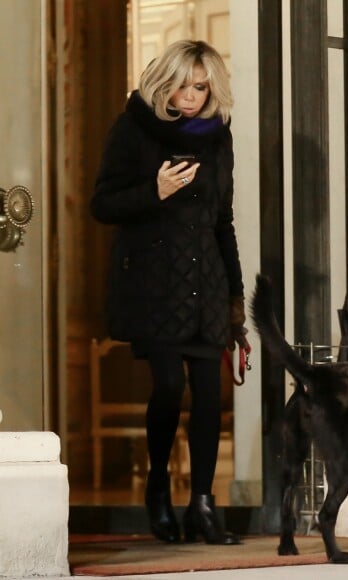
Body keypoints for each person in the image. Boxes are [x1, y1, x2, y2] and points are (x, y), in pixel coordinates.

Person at [91, 39, 248, 545]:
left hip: (206, 283)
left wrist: (235, 299)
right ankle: (158, 487)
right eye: (183, 84)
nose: (191, 96)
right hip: (152, 285)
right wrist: (153, 192)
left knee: (208, 395)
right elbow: (102, 205)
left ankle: (202, 503)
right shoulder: (133, 128)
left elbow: (222, 222)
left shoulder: (218, 138)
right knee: (168, 387)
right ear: (165, 81)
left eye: (201, 87)